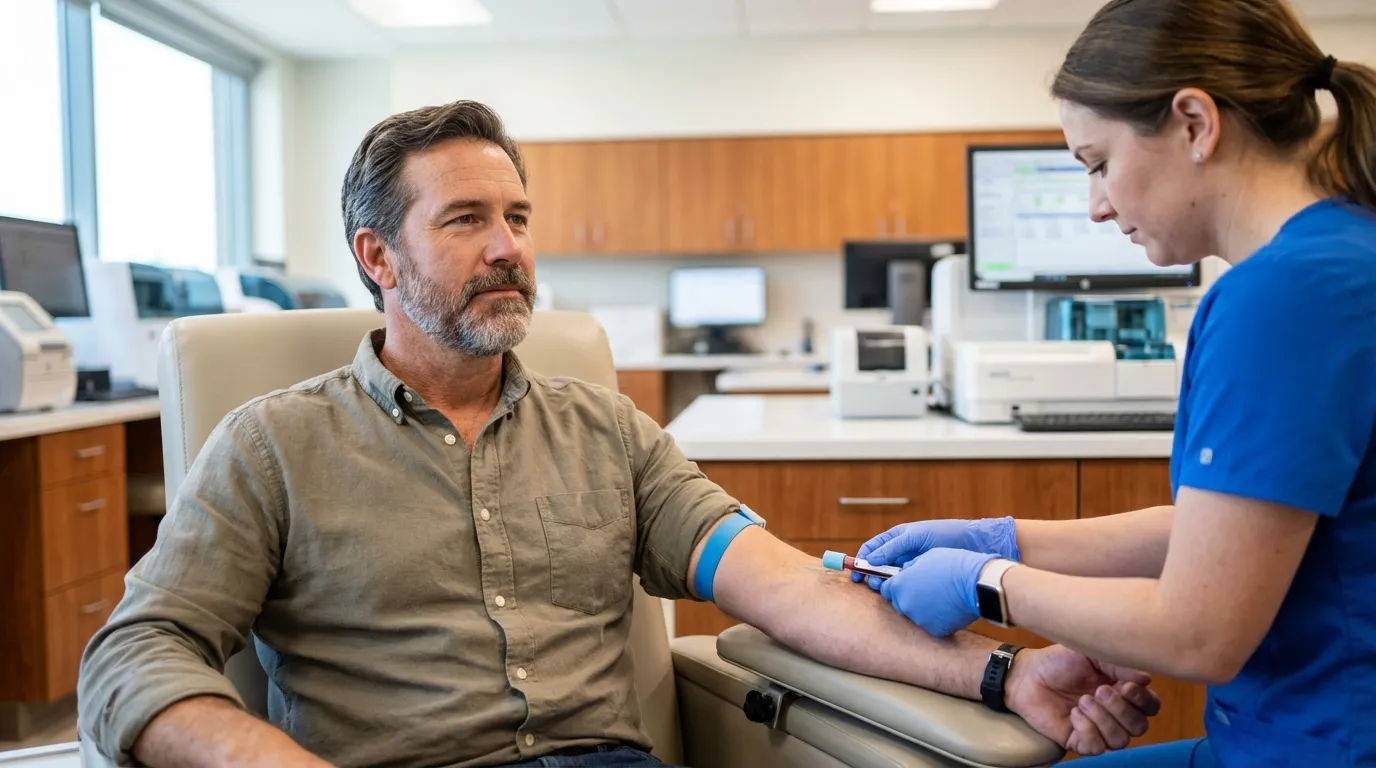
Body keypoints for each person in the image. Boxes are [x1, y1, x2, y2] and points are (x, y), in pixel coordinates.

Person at [77, 100, 1159, 768]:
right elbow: (133, 653)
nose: (507, 247)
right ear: (376, 257)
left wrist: (998, 677)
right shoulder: (273, 448)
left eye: (516, 218)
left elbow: (784, 587)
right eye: (464, 220)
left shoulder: (604, 430)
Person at [858, 1, 1376, 766]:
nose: (1097, 206)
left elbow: (1198, 630)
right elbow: (1232, 536)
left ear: (1195, 123)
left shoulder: (1284, 296)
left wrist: (990, 582)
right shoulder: (1337, 254)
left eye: (1098, 164)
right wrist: (1006, 537)